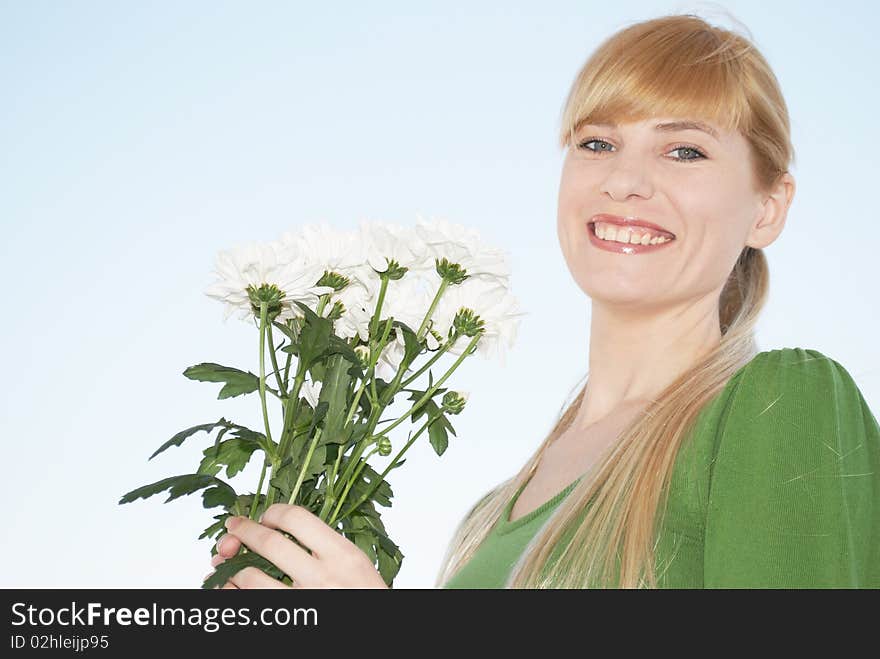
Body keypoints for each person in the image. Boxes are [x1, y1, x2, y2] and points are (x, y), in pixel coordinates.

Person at [208, 12, 880, 589]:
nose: (624, 180)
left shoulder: (780, 403)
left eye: (684, 149)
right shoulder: (487, 517)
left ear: (768, 209)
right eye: (597, 142)